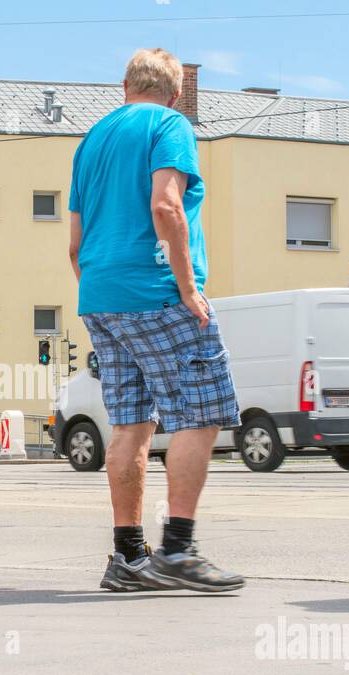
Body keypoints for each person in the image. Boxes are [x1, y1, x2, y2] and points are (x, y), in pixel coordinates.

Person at [68, 48, 244, 594]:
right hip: (158, 292)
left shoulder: (91, 140)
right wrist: (188, 287)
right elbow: (166, 206)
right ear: (174, 93)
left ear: (124, 86)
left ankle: (127, 557)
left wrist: (104, 288)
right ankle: (178, 550)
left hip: (101, 294)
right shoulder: (170, 125)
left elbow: (73, 243)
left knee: (130, 424)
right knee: (200, 416)